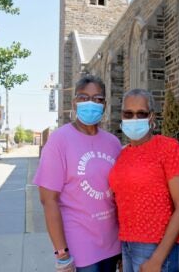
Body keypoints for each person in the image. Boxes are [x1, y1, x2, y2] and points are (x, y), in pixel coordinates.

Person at [33, 75, 122, 271]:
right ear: (74, 102)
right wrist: (61, 253)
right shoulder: (59, 141)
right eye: (83, 98)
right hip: (79, 246)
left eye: (97, 99)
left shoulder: (113, 143)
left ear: (105, 104)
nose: (90, 103)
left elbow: (119, 195)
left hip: (112, 243)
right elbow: (49, 200)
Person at [109, 88, 179, 272]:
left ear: (152, 117)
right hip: (128, 244)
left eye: (141, 113)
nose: (134, 118)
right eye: (128, 114)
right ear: (122, 116)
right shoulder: (123, 155)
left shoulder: (168, 148)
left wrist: (157, 259)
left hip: (158, 247)